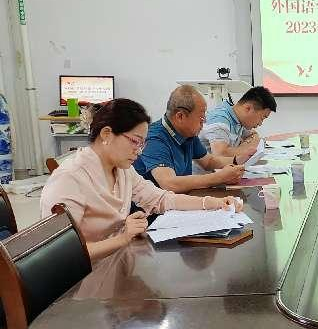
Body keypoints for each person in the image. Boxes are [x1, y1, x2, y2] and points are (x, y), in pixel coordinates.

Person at [40, 99, 243, 262]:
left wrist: (212, 203)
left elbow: (161, 199)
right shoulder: (70, 178)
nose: (139, 152)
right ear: (106, 134)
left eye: (142, 144)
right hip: (83, 281)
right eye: (135, 142)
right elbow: (59, 255)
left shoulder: (122, 170)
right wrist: (122, 238)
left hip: (117, 263)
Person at [133, 85, 251, 193]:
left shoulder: (188, 133)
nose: (204, 122)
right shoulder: (154, 139)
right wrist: (218, 178)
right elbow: (169, 184)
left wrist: (236, 160)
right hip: (152, 208)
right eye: (201, 117)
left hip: (178, 200)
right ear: (180, 116)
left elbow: (208, 162)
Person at [200, 86, 277, 157]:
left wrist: (243, 147)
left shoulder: (238, 119)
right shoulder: (220, 119)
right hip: (207, 168)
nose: (260, 123)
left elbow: (255, 135)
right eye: (262, 118)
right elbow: (221, 154)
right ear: (248, 108)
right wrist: (248, 147)